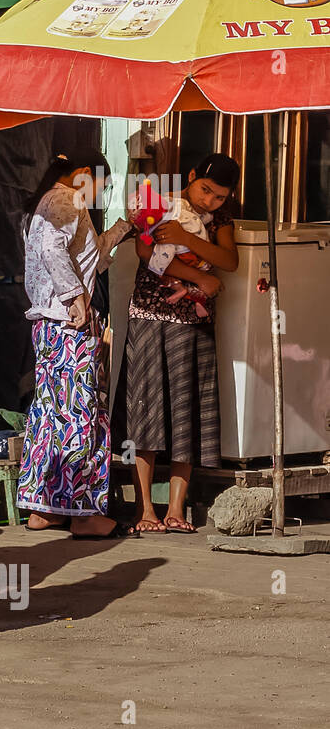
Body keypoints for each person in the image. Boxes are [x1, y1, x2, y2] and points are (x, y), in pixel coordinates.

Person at [17, 149, 134, 539]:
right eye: (103, 184)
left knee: (52, 412)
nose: (102, 193)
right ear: (84, 173)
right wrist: (75, 298)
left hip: (50, 326)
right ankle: (84, 513)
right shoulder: (65, 200)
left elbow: (89, 259)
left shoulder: (51, 202)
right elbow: (54, 253)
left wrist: (120, 230)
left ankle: (44, 509)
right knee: (81, 412)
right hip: (67, 324)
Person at [121, 153, 240, 534]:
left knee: (186, 413)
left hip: (194, 321)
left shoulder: (220, 221)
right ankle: (145, 511)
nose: (210, 201)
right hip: (149, 314)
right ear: (190, 176)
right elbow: (145, 253)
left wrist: (188, 239)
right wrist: (198, 277)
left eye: (219, 197)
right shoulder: (159, 202)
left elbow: (229, 260)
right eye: (206, 190)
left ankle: (176, 509)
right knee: (147, 410)